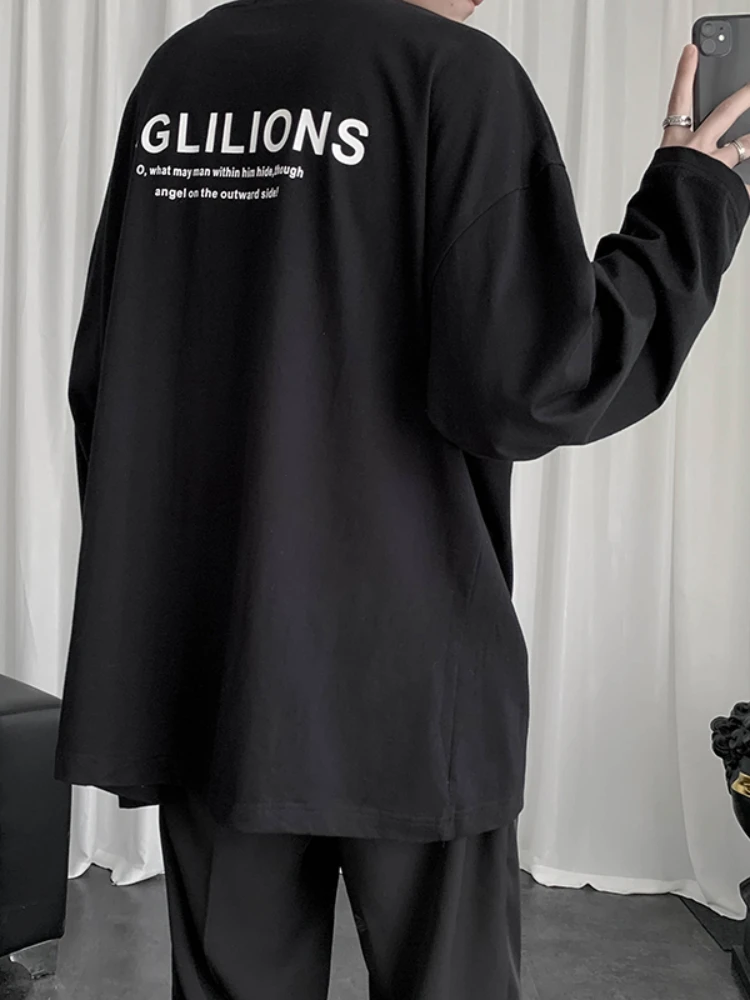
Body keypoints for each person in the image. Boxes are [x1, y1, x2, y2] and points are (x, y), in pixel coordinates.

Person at [53, 0, 750, 997]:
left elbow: (108, 373)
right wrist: (691, 200)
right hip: (408, 671)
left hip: (214, 659)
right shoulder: (452, 74)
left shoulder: (184, 72)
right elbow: (532, 383)